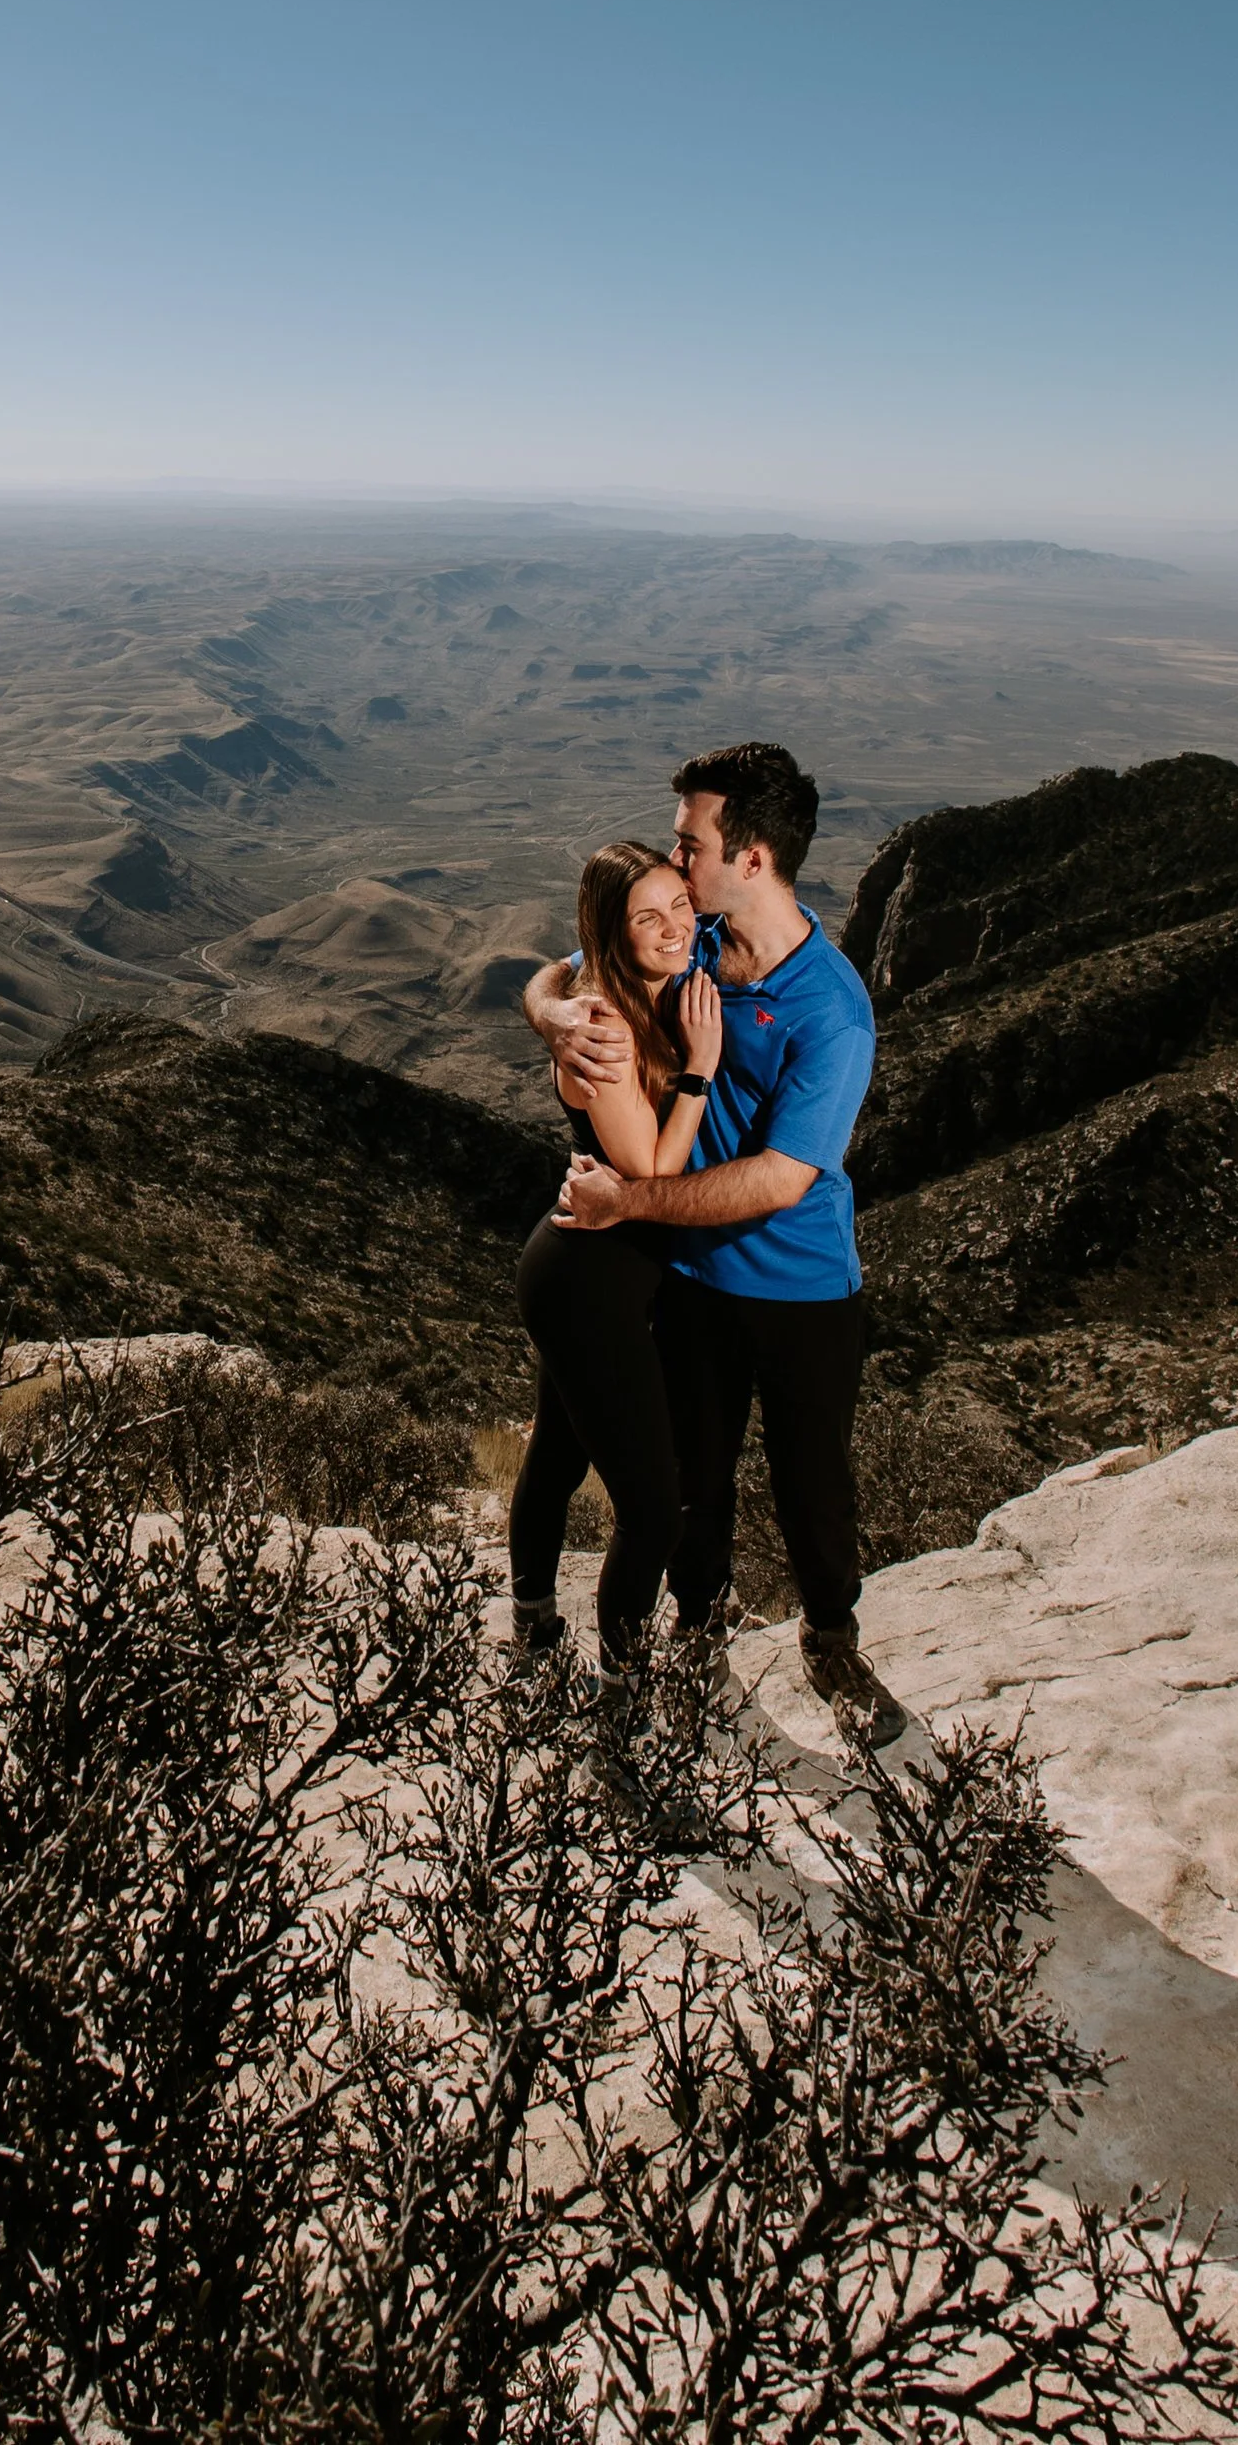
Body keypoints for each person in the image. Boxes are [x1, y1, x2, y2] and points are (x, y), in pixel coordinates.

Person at [522, 741, 906, 1735]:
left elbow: (782, 1178)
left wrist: (630, 1204)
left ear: (753, 858)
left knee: (811, 1481)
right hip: (693, 1280)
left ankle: (831, 1641)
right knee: (696, 1483)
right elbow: (566, 967)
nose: (676, 862)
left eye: (691, 845)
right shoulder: (690, 941)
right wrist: (555, 1016)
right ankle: (698, 1633)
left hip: (801, 1285)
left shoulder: (831, 1009)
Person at [507, 841, 722, 1667]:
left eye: (680, 907)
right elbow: (650, 1170)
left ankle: (532, 1627)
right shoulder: (604, 1027)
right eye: (648, 918)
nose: (674, 929)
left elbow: (557, 968)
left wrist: (542, 998)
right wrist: (699, 1070)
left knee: (558, 1455)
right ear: (611, 930)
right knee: (652, 1512)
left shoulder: (627, 984)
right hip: (585, 1283)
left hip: (599, 1273)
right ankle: (622, 1690)